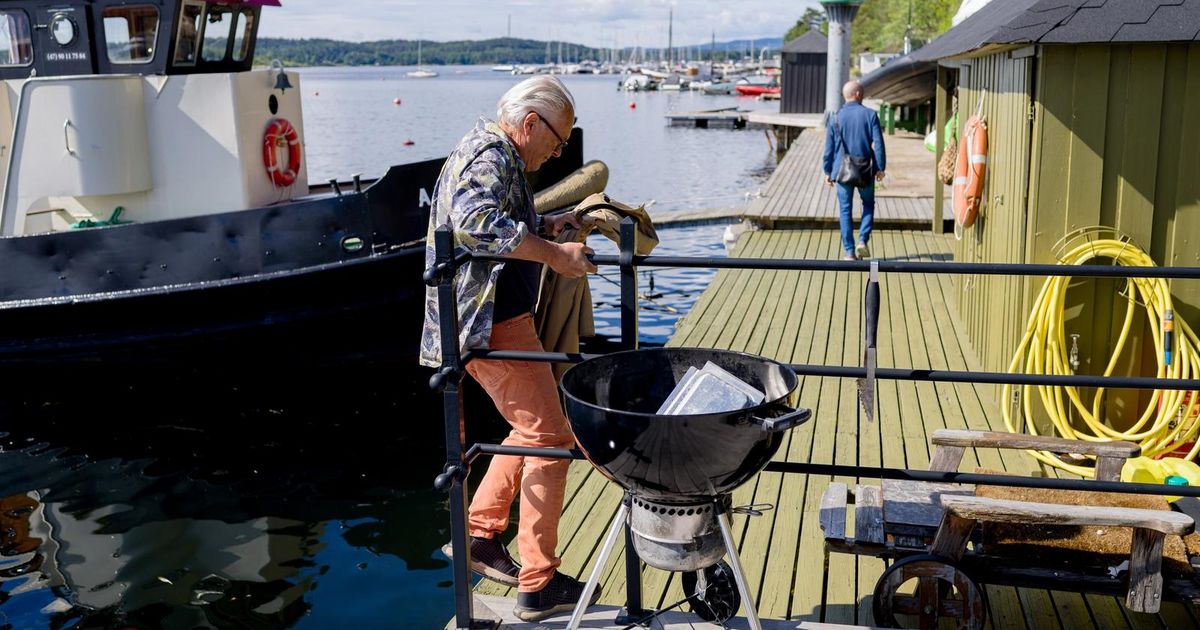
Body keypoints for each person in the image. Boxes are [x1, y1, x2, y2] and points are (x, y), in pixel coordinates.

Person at [420, 75, 599, 622]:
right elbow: (473, 223)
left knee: (536, 430)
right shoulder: (492, 153)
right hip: (491, 323)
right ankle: (537, 582)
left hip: (492, 320)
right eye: (559, 139)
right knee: (549, 436)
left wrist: (547, 223)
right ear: (530, 124)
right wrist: (554, 254)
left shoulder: (493, 154)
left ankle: (479, 533)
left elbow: (492, 222)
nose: (558, 150)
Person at [823, 80, 887, 261]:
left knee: (845, 210)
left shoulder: (835, 117)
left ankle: (849, 252)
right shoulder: (870, 115)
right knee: (868, 204)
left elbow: (829, 148)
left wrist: (827, 171)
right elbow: (879, 145)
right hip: (865, 170)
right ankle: (862, 240)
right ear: (858, 94)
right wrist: (880, 167)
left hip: (842, 171)